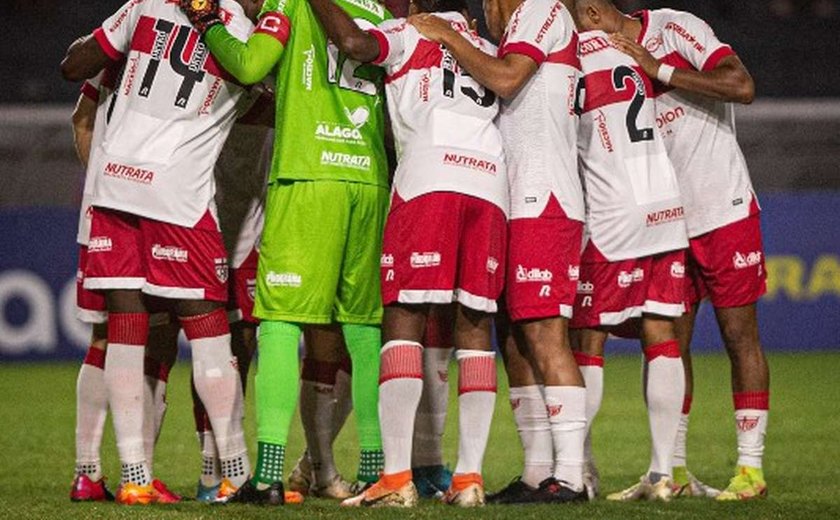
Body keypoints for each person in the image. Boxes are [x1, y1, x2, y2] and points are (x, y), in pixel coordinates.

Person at [177, 0, 392, 504]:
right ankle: (378, 471)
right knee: (362, 331)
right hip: (368, 178)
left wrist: (208, 22)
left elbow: (250, 64)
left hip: (309, 175)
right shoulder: (381, 11)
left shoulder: (291, 4)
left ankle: (269, 474)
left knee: (277, 323)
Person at [304, 0, 507, 507]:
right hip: (489, 186)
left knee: (404, 319)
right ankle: (469, 479)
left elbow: (353, 43)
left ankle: (396, 479)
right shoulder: (485, 47)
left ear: (418, 5)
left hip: (430, 182)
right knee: (475, 325)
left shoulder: (411, 33)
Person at [60, 0, 257, 505]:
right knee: (210, 327)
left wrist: (119, 36)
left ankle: (134, 478)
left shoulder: (145, 5)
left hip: (113, 186)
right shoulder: (246, 33)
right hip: (178, 194)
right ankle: (234, 471)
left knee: (124, 329)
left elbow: (74, 68)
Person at [411, 0, 589, 504]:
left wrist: (448, 38)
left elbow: (508, 79)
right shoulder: (518, 24)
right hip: (512, 200)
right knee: (513, 338)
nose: (484, 15)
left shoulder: (541, 8)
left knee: (545, 333)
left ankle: (572, 477)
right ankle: (537, 472)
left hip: (544, 198)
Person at [604, 2, 768, 501]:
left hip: (724, 208)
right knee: (669, 344)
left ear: (593, 11)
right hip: (668, 221)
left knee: (739, 336)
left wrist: (662, 70)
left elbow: (741, 86)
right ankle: (671, 470)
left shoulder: (676, 27)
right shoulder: (598, 60)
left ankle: (751, 470)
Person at [571, 0, 691, 502]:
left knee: (587, 337)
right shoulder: (631, 53)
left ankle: (577, 468)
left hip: (612, 211)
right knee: (661, 334)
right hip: (663, 203)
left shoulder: (570, 57)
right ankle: (663, 473)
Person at [69, 63, 183, 505]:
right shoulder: (177, 49)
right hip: (148, 211)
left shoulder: (112, 50)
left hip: (99, 209)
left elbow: (81, 118)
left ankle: (86, 472)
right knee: (156, 338)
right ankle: (140, 474)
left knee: (102, 337)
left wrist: (99, 182)